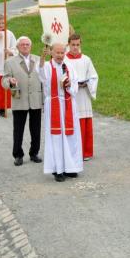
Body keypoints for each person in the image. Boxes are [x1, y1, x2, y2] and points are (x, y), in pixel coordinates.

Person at [40, 43, 83, 182]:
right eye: (57, 52)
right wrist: (41, 59)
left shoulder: (69, 66)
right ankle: (58, 170)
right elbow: (41, 76)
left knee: (71, 136)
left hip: (68, 103)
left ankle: (71, 168)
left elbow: (75, 85)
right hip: (54, 104)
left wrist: (70, 85)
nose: (59, 55)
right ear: (51, 52)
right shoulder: (47, 66)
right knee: (56, 138)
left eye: (62, 53)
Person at [2, 36, 43, 166]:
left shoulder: (38, 60)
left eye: (27, 44)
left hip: (36, 99)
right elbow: (4, 80)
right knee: (18, 129)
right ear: (18, 47)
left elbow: (44, 77)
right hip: (19, 100)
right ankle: (18, 155)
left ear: (30, 46)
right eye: (23, 45)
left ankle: (34, 153)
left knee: (36, 129)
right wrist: (9, 81)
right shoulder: (10, 62)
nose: (25, 46)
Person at [65, 34, 99, 161]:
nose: (75, 47)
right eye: (73, 45)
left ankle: (86, 152)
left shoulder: (86, 59)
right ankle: (74, 152)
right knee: (73, 122)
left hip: (84, 95)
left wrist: (87, 83)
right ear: (68, 44)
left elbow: (94, 76)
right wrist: (72, 84)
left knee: (85, 123)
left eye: (77, 45)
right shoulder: (64, 60)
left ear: (80, 44)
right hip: (71, 96)